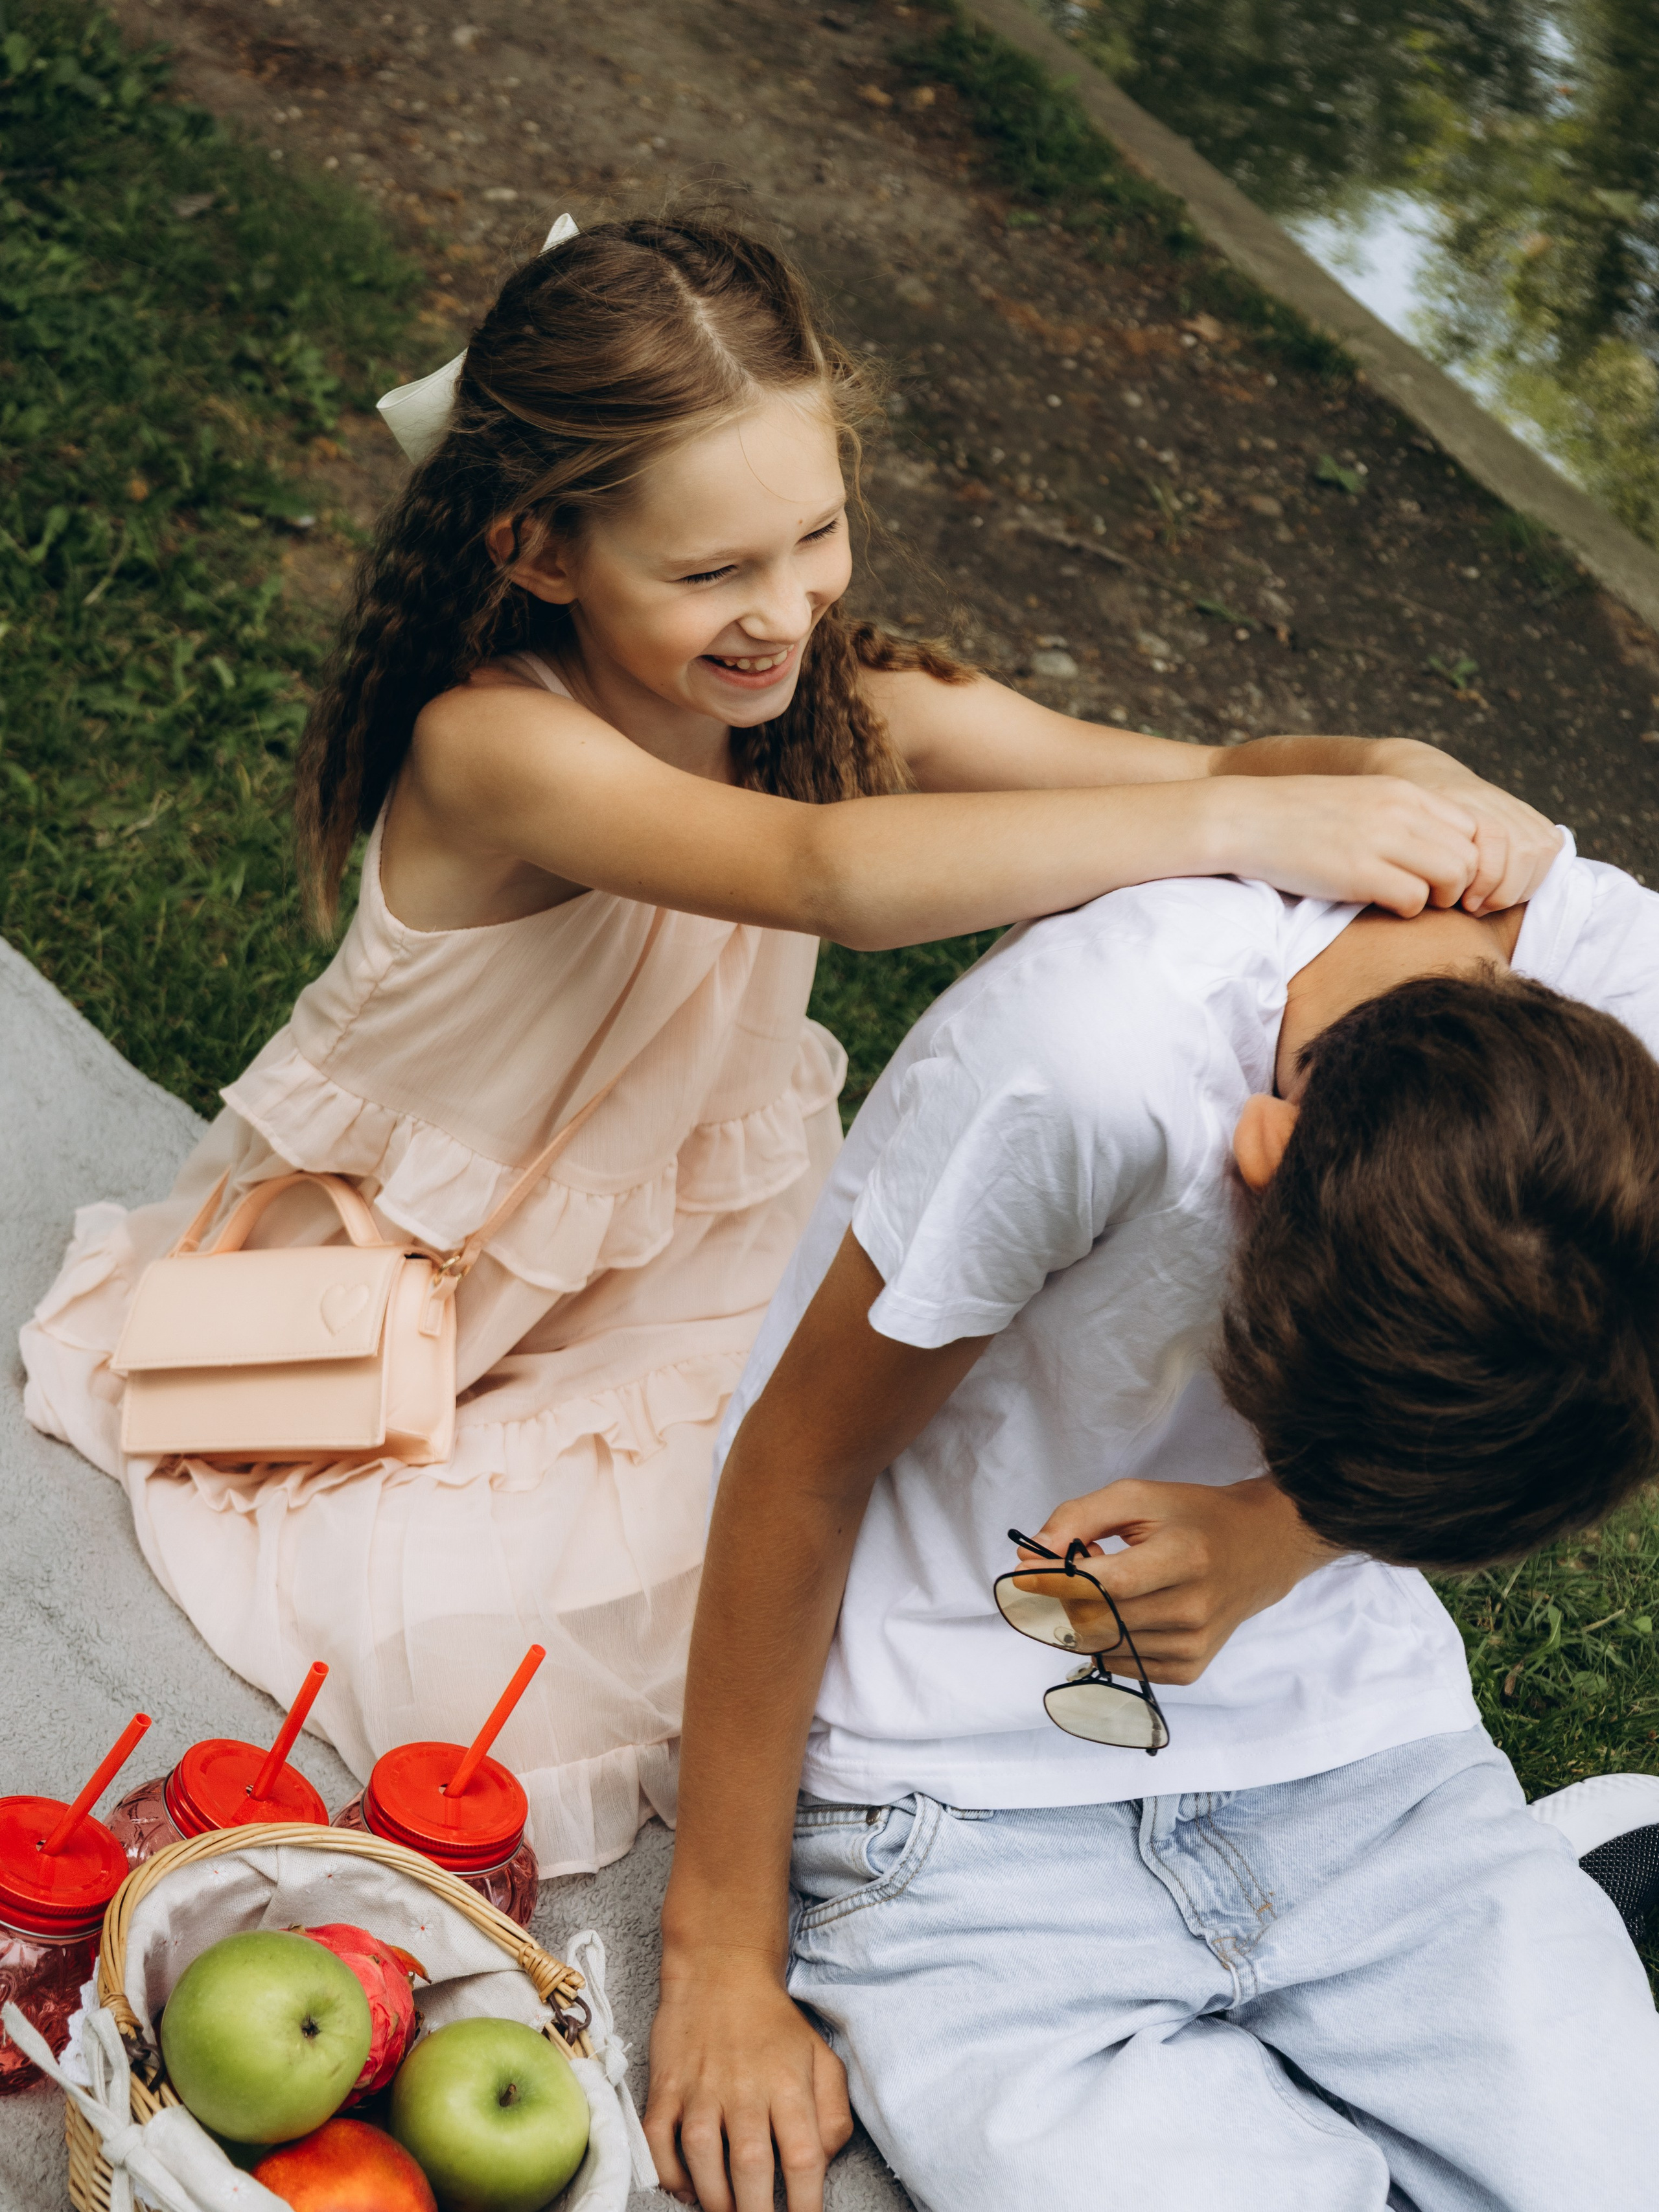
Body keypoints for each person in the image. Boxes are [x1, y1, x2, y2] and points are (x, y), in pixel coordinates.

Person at [22, 213, 1554, 1878]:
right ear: (538, 551)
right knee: (688, 1614)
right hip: (425, 1281)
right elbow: (819, 877)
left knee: (905, 1495)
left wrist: (1374, 765)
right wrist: (1269, 819)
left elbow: (1181, 763)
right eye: (709, 575)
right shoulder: (493, 747)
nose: (782, 612)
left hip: (671, 1240)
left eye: (813, 536)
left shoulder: (829, 695)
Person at [645, 828, 1659, 2211]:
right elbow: (796, 1467)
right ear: (1256, 1160)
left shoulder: (1626, 1021)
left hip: (1361, 1770)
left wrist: (1276, 1535)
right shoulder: (1091, 1068)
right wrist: (719, 1956)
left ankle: (1539, 1905)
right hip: (958, 1810)